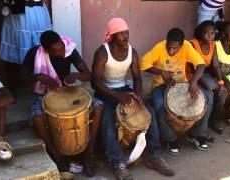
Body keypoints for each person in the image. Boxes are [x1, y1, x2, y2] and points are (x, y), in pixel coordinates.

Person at [92, 17, 175, 180]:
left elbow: (137, 78)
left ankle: (155, 157)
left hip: (124, 89)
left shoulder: (132, 52)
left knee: (149, 113)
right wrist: (117, 96)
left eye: (127, 32)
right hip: (106, 91)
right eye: (121, 33)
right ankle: (118, 163)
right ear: (112, 35)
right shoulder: (102, 53)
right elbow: (95, 82)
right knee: (107, 119)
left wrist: (137, 94)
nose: (125, 36)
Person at [22, 30, 102, 177]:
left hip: (67, 92)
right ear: (46, 50)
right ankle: (58, 157)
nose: (60, 52)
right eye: (56, 51)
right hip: (44, 95)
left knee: (98, 106)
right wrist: (39, 77)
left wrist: (76, 75)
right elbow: (23, 79)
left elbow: (88, 74)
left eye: (61, 47)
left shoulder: (69, 49)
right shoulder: (34, 54)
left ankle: (89, 154)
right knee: (37, 117)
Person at [140, 28, 206, 155]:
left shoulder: (186, 46)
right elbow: (143, 64)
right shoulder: (159, 47)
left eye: (174, 48)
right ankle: (170, 139)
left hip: (182, 84)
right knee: (159, 105)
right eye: (169, 47)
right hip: (160, 86)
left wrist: (193, 82)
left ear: (181, 45)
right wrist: (161, 72)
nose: (171, 51)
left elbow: (201, 64)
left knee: (206, 98)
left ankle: (196, 135)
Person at [0, 0, 52, 93]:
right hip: (19, 14)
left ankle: (42, 86)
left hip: (38, 12)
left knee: (42, 50)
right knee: (15, 50)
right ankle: (13, 88)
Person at [187, 20, 226, 135]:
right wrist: (207, 86)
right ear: (200, 33)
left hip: (204, 75)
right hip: (191, 76)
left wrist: (221, 82)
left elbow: (215, 65)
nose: (210, 35)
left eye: (212, 33)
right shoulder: (192, 44)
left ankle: (213, 121)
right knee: (208, 96)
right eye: (206, 33)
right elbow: (194, 68)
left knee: (222, 92)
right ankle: (199, 131)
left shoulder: (213, 45)